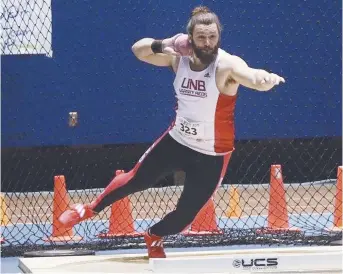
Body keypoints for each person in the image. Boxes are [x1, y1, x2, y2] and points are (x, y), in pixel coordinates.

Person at [58, 6, 285, 258]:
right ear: (190, 38)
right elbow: (138, 50)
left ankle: (154, 236)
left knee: (185, 217)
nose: (208, 43)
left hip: (213, 153)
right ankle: (89, 209)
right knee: (137, 179)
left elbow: (252, 76)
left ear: (219, 36)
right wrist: (165, 42)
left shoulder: (226, 65)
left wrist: (265, 79)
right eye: (201, 37)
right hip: (177, 140)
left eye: (212, 37)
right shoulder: (178, 58)